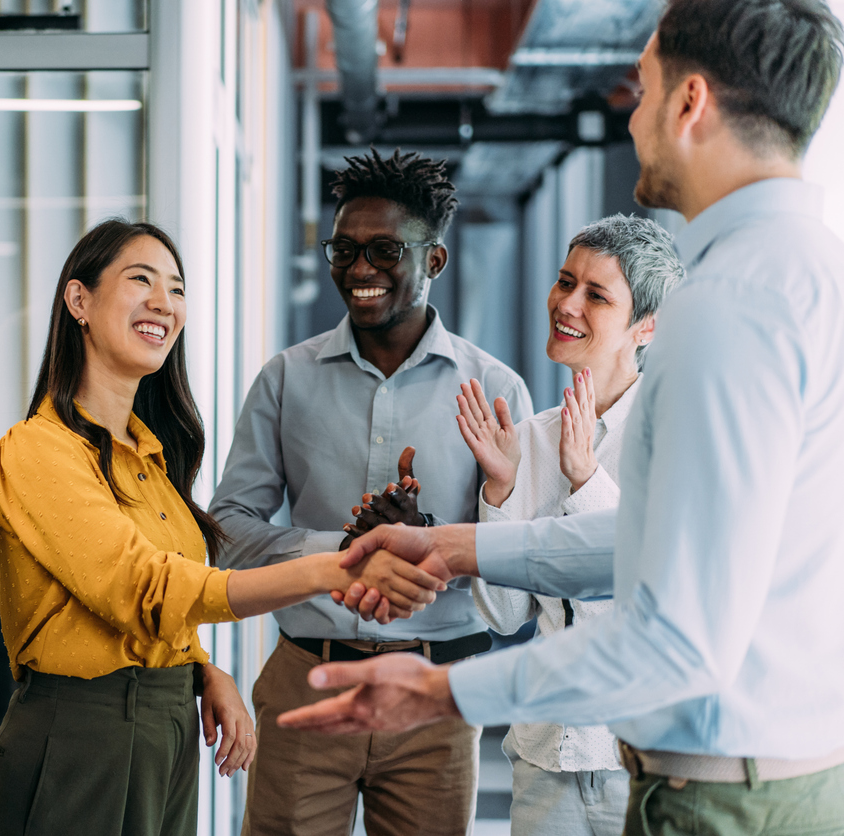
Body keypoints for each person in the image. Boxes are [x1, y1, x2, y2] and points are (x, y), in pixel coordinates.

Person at [280, 1, 844, 833]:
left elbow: (680, 635)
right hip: (768, 778)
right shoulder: (803, 270)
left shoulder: (729, 305)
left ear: (690, 103)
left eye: (643, 88)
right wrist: (449, 546)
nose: (632, 111)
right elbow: (656, 544)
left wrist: (442, 690)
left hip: (725, 798)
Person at [0, 219, 444, 836]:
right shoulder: (39, 450)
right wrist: (339, 565)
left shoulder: (150, 455)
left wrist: (198, 667)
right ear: (79, 302)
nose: (163, 304)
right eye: (140, 280)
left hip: (166, 721)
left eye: (176, 289)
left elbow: (161, 596)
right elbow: (147, 590)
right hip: (80, 732)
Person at [210, 149, 532, 836]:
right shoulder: (285, 380)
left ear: (434, 262)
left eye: (385, 250)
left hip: (434, 698)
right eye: (345, 249)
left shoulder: (495, 390)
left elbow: (516, 578)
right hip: (308, 682)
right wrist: (344, 551)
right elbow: (227, 532)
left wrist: (432, 545)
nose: (359, 270)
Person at [459, 215, 682, 836]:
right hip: (544, 759)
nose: (567, 303)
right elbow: (504, 617)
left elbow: (649, 597)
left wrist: (585, 480)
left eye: (596, 294)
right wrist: (500, 491)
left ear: (647, 327)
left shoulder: (677, 434)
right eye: (565, 281)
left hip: (638, 761)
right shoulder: (530, 437)